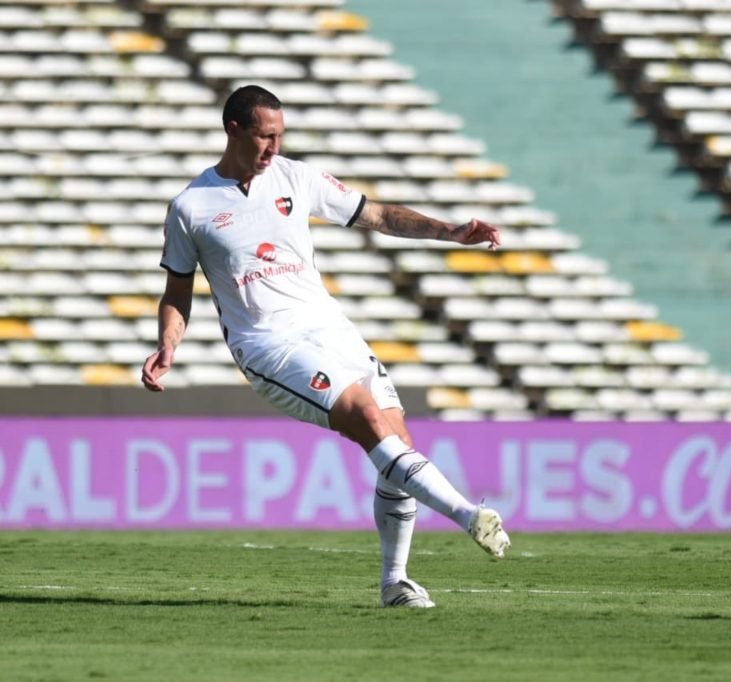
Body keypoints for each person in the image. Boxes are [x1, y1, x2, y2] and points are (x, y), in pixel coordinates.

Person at [141, 84, 510, 609]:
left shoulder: (298, 177)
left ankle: (395, 581)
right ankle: (467, 514)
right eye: (266, 136)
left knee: (397, 439)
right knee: (367, 419)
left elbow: (378, 215)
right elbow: (178, 290)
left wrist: (450, 231)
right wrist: (167, 345)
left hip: (329, 328)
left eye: (280, 135)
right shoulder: (191, 207)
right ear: (235, 130)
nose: (274, 147)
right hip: (267, 343)